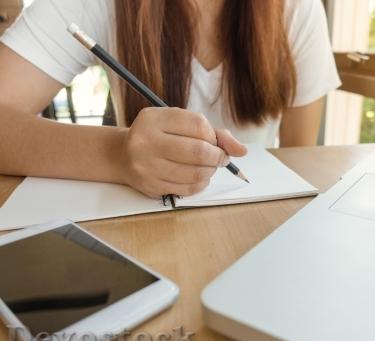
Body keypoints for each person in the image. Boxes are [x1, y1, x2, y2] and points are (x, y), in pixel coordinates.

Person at [0, 0, 340, 198]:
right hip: (138, 215)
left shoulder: (296, 8)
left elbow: (300, 159)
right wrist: (115, 154)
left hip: (254, 218)